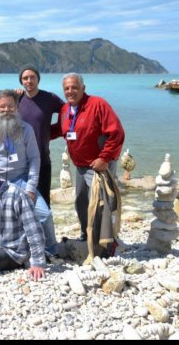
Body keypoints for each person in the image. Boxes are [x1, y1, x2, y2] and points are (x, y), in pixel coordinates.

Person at [0, 89, 58, 257]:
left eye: (10, 106)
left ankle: (51, 249)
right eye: (2, 107)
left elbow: (34, 159)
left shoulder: (26, 129)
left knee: (44, 215)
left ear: (16, 107)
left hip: (21, 179)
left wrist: (30, 188)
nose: (6, 110)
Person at [51, 73, 125, 241]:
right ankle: (87, 234)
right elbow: (61, 129)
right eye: (67, 88)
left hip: (97, 165)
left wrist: (105, 158)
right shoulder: (64, 109)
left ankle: (106, 240)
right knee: (81, 201)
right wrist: (37, 134)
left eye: (74, 87)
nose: (70, 91)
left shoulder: (98, 104)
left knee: (102, 204)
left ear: (83, 88)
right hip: (80, 165)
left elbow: (117, 133)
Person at [17, 65, 64, 207]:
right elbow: (2, 117)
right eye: (25, 78)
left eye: (32, 77)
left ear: (38, 79)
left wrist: (54, 131)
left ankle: (45, 230)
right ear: (21, 81)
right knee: (21, 204)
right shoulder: (16, 99)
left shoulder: (49, 98)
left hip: (42, 160)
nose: (29, 81)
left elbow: (68, 112)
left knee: (43, 204)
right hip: (19, 162)